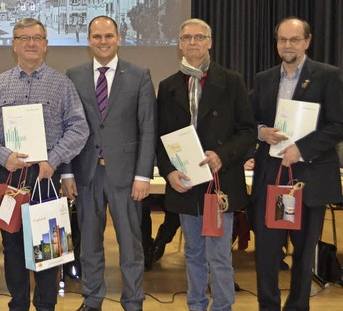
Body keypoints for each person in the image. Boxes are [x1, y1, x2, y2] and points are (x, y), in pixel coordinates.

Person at [0, 18, 89, 311]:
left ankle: (46, 305)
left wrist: (53, 160)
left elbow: (79, 128)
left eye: (37, 38)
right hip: (9, 175)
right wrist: (3, 156)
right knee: (11, 248)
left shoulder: (62, 84)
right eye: (23, 38)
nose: (30, 43)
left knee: (48, 248)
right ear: (13, 44)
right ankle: (18, 305)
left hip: (46, 178)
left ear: (46, 44)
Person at [156, 18, 255, 311]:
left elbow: (248, 131)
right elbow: (160, 138)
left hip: (219, 183)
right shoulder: (169, 86)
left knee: (219, 256)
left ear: (210, 42)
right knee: (194, 253)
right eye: (186, 38)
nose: (193, 42)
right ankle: (196, 306)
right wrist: (168, 170)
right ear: (179, 44)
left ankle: (223, 306)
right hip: (185, 184)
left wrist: (221, 155)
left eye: (199, 37)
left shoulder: (232, 81)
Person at [61, 16, 156, 311]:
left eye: (108, 36)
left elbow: (148, 128)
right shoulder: (73, 75)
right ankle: (92, 299)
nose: (103, 41)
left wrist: (143, 175)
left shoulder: (139, 75)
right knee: (89, 243)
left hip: (126, 175)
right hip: (85, 173)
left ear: (119, 38)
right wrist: (66, 171)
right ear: (88, 40)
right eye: (97, 36)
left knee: (130, 244)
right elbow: (66, 126)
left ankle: (133, 300)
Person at [250, 17, 343, 310]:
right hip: (271, 177)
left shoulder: (329, 76)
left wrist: (300, 150)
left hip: (310, 178)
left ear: (307, 42)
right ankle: (268, 306)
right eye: (282, 40)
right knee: (266, 252)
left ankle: (298, 306)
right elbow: (249, 120)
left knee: (303, 254)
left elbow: (339, 123)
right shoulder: (263, 79)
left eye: (294, 40)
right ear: (276, 42)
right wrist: (261, 132)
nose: (287, 45)